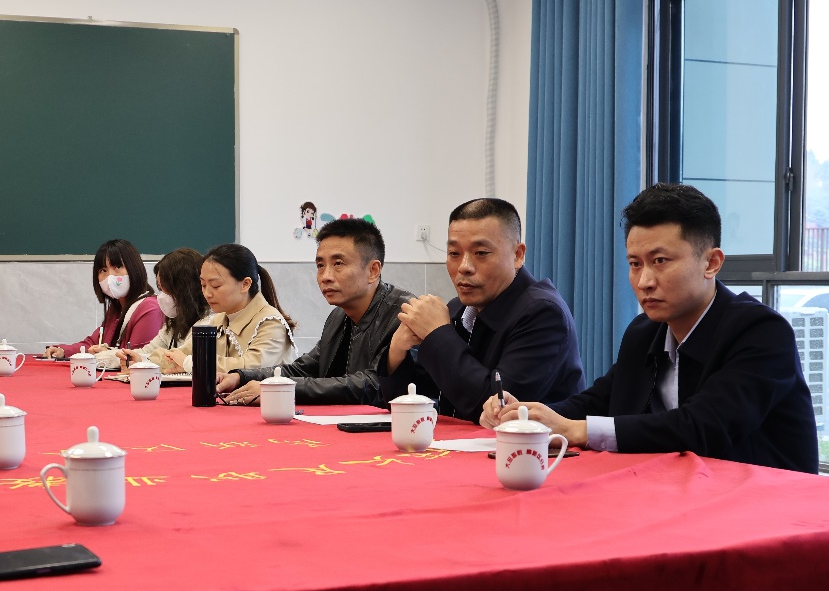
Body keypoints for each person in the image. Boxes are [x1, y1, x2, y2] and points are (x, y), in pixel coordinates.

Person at [482, 183, 818, 474]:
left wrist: (577, 430)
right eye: (635, 264)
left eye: (660, 261)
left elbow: (703, 426)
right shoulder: (644, 331)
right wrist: (526, 414)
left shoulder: (761, 331)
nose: (644, 281)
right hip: (675, 492)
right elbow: (598, 401)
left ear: (711, 263)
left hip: (762, 507)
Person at [379, 197, 585, 422]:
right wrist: (396, 351)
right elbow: (413, 400)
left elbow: (496, 410)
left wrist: (438, 334)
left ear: (517, 255)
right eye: (454, 253)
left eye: (481, 253)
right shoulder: (457, 308)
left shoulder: (543, 313)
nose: (464, 267)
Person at [217, 218, 415, 406]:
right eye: (320, 265)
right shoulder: (338, 316)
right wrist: (241, 376)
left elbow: (371, 385)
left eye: (338, 264)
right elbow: (304, 369)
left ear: (373, 271)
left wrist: (280, 390)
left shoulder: (405, 315)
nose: (325, 276)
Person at [149, 243, 296, 374]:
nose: (207, 293)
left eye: (216, 286)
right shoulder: (218, 320)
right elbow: (181, 354)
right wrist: (144, 361)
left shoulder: (270, 323)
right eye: (203, 285)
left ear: (245, 284)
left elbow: (252, 366)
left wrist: (191, 363)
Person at [43, 238, 163, 359]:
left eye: (117, 267)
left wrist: (106, 353)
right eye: (103, 270)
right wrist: (63, 350)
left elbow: (136, 358)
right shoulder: (116, 307)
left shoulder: (150, 308)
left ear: (134, 269)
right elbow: (92, 344)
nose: (110, 276)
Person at [118, 247, 209, 368]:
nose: (162, 295)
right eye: (160, 288)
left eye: (166, 288)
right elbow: (147, 352)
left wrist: (142, 360)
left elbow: (175, 360)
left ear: (185, 288)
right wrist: (125, 356)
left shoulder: (208, 323)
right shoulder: (174, 323)